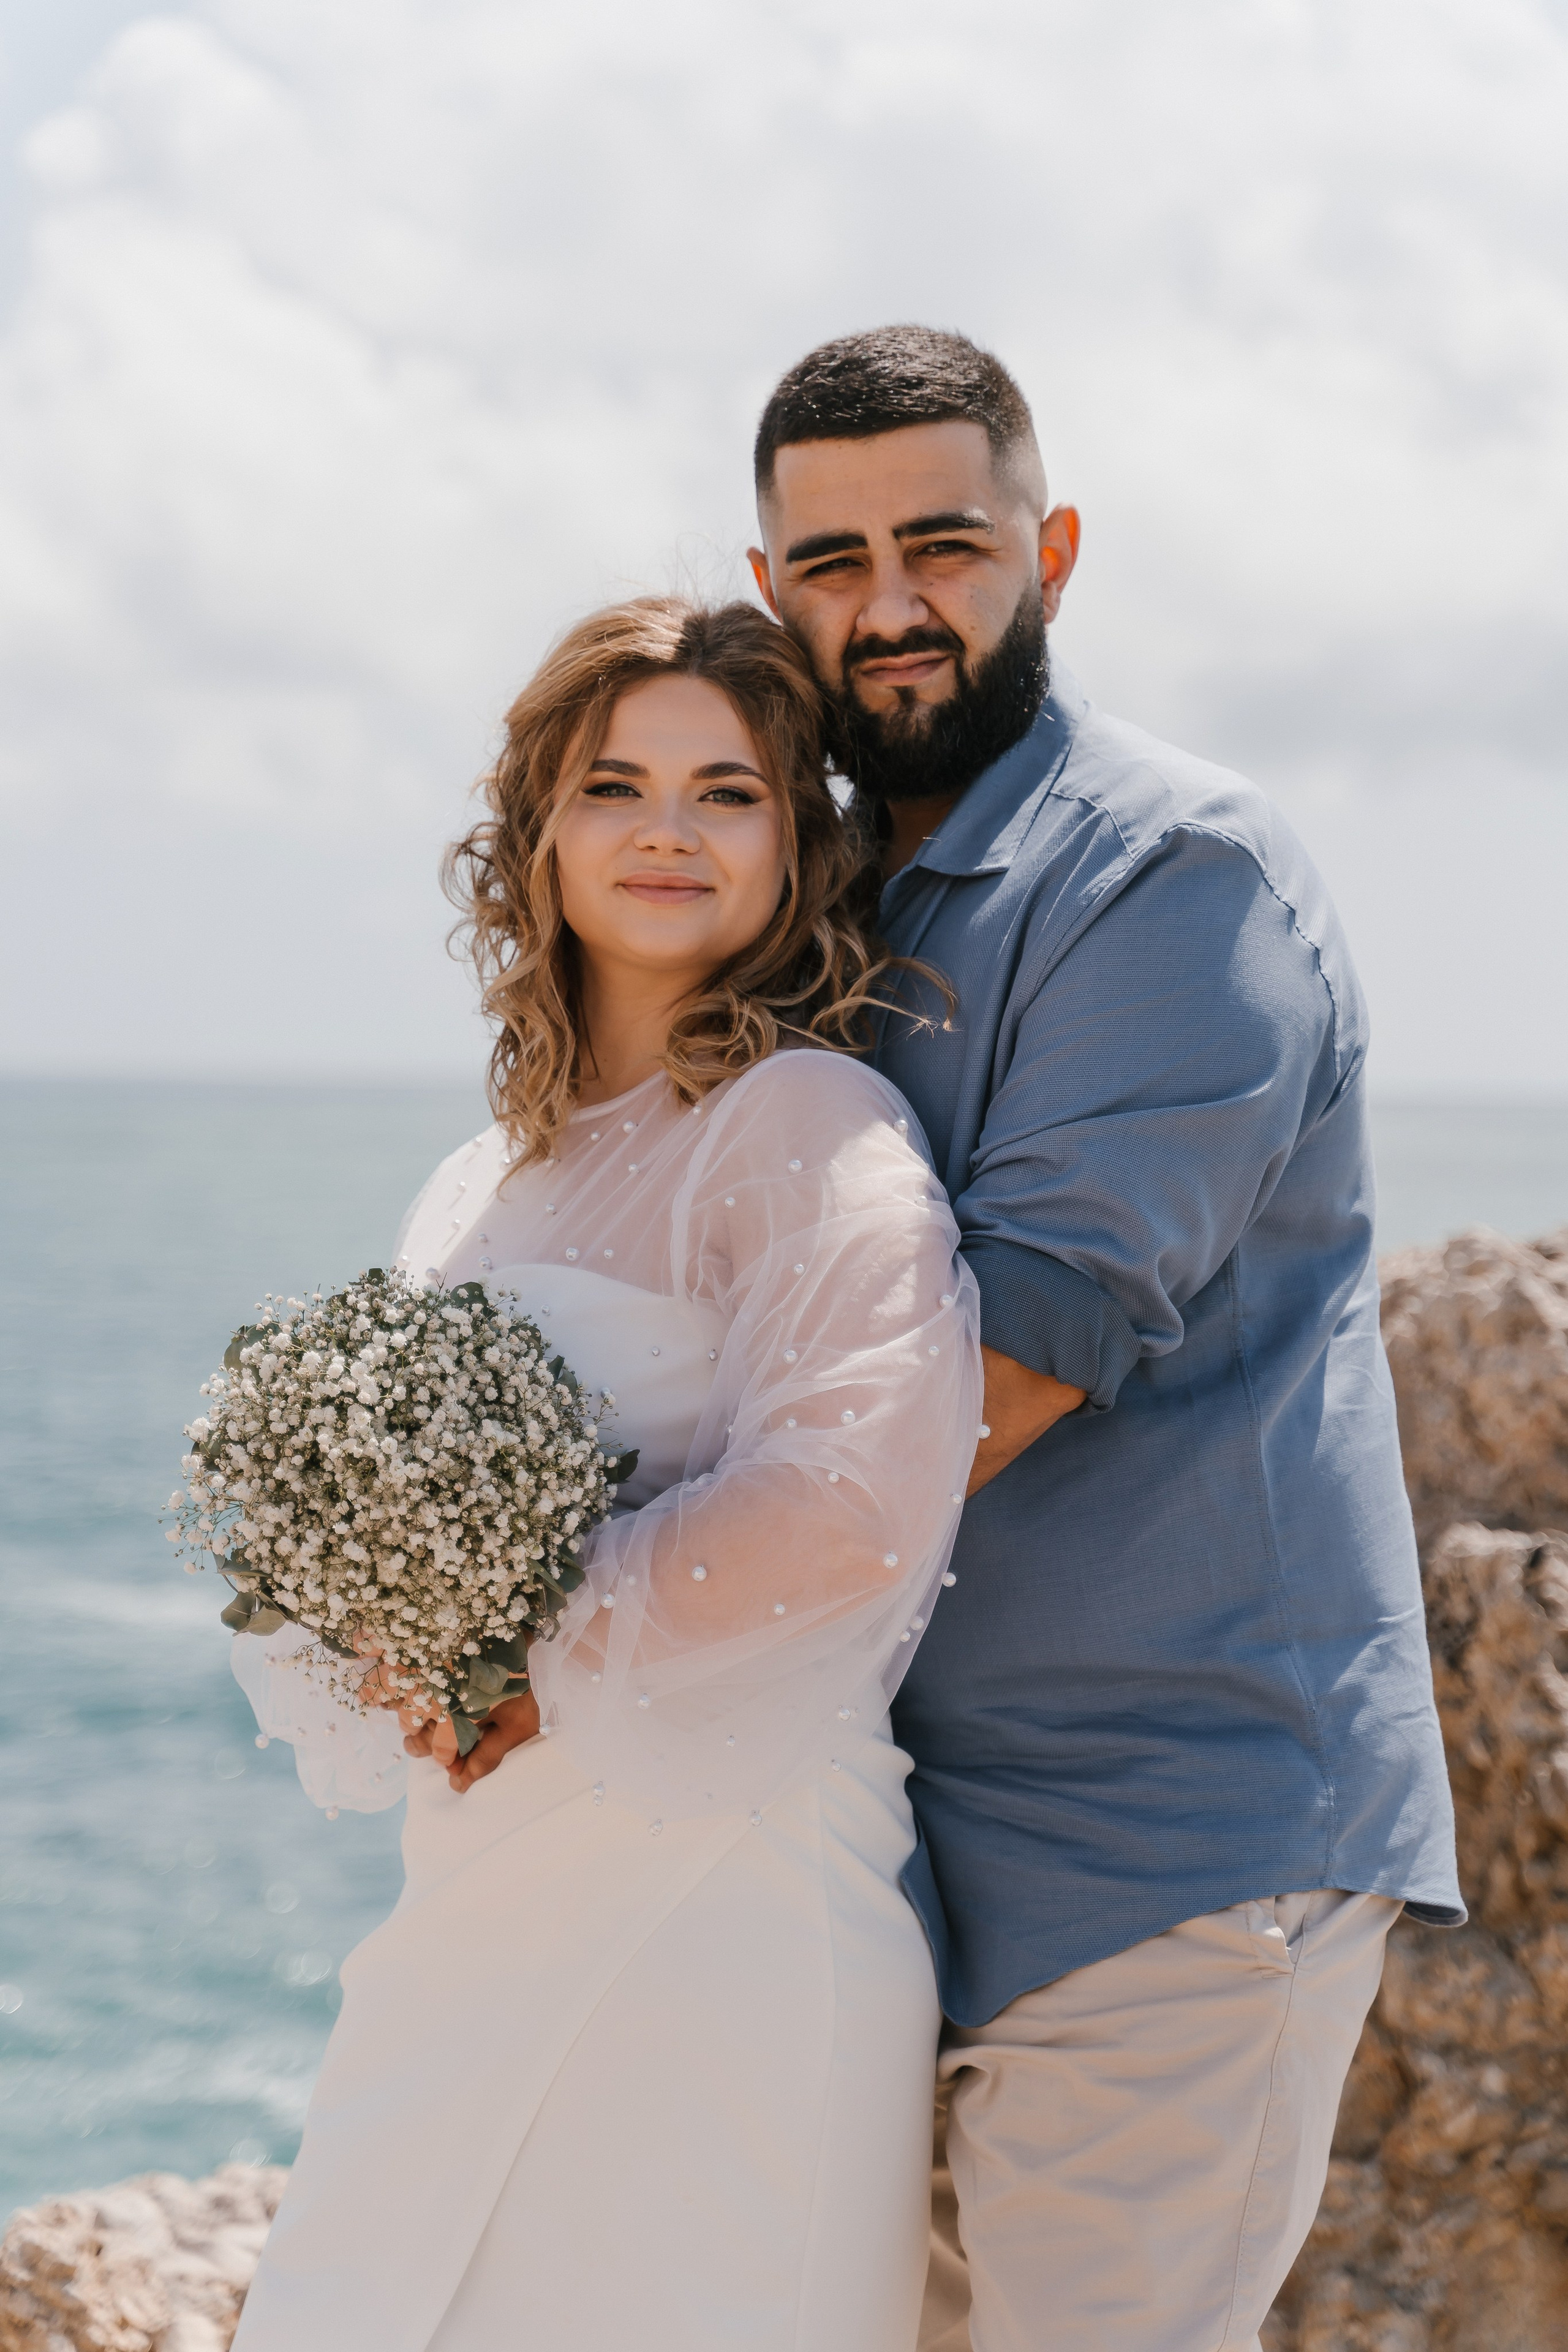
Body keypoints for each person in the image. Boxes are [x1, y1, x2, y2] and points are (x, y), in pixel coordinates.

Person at [743, 326, 1464, 2352]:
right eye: (831, 562)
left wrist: (580, 1595)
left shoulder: (1171, 878)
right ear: (768, 586)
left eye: (945, 546)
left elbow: (989, 1381)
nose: (889, 609)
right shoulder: (812, 904)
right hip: (891, 1852)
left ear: (1050, 549)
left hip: (1175, 1853)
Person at [228, 597, 984, 2352]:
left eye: (726, 793)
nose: (664, 830)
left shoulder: (811, 1128)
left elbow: (856, 1504)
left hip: (730, 1897)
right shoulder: (482, 1179)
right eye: (614, 784)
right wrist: (395, 1656)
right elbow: (371, 1503)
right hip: (481, 1886)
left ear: (795, 843)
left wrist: (528, 1653)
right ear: (539, 831)